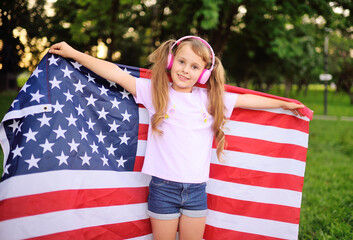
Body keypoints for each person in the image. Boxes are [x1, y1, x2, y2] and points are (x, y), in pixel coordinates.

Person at [49, 36, 304, 240]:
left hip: (197, 191)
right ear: (171, 62)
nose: (186, 70)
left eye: (195, 67)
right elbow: (115, 73)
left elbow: (247, 100)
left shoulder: (209, 99)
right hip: (163, 189)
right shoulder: (156, 92)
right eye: (182, 62)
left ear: (204, 74)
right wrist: (74, 53)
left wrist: (283, 105)